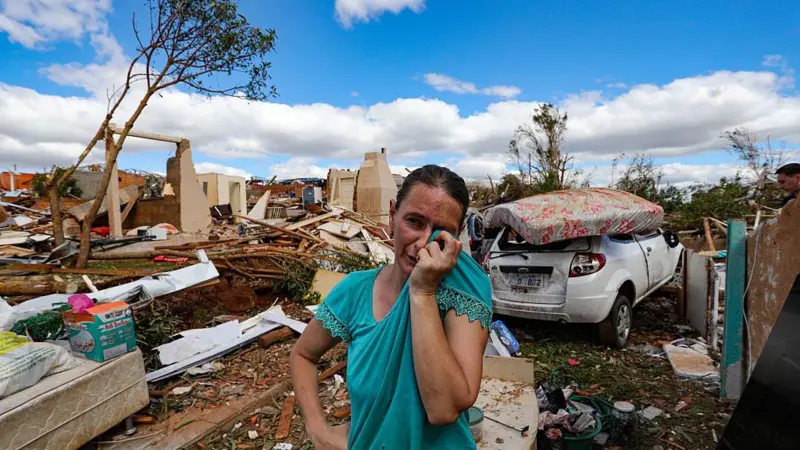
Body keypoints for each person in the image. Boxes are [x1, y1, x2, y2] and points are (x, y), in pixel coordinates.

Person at [290, 165, 492, 450]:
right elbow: (303, 354)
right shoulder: (354, 291)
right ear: (391, 216)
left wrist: (422, 291)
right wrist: (317, 428)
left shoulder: (463, 294)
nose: (423, 243)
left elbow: (443, 409)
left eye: (440, 231)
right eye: (414, 221)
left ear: (457, 236)